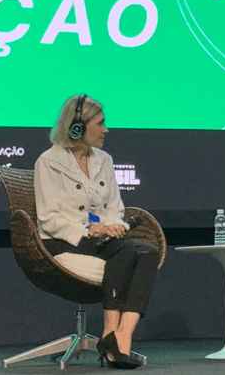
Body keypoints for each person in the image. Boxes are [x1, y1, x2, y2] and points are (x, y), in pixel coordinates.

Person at [35, 94, 159, 369]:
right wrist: (87, 231)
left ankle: (123, 336)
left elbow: (115, 206)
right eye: (100, 124)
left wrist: (113, 224)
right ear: (76, 127)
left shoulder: (104, 159)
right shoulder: (48, 161)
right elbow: (48, 218)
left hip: (100, 237)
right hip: (63, 241)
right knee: (126, 250)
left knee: (148, 253)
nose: (106, 130)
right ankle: (110, 334)